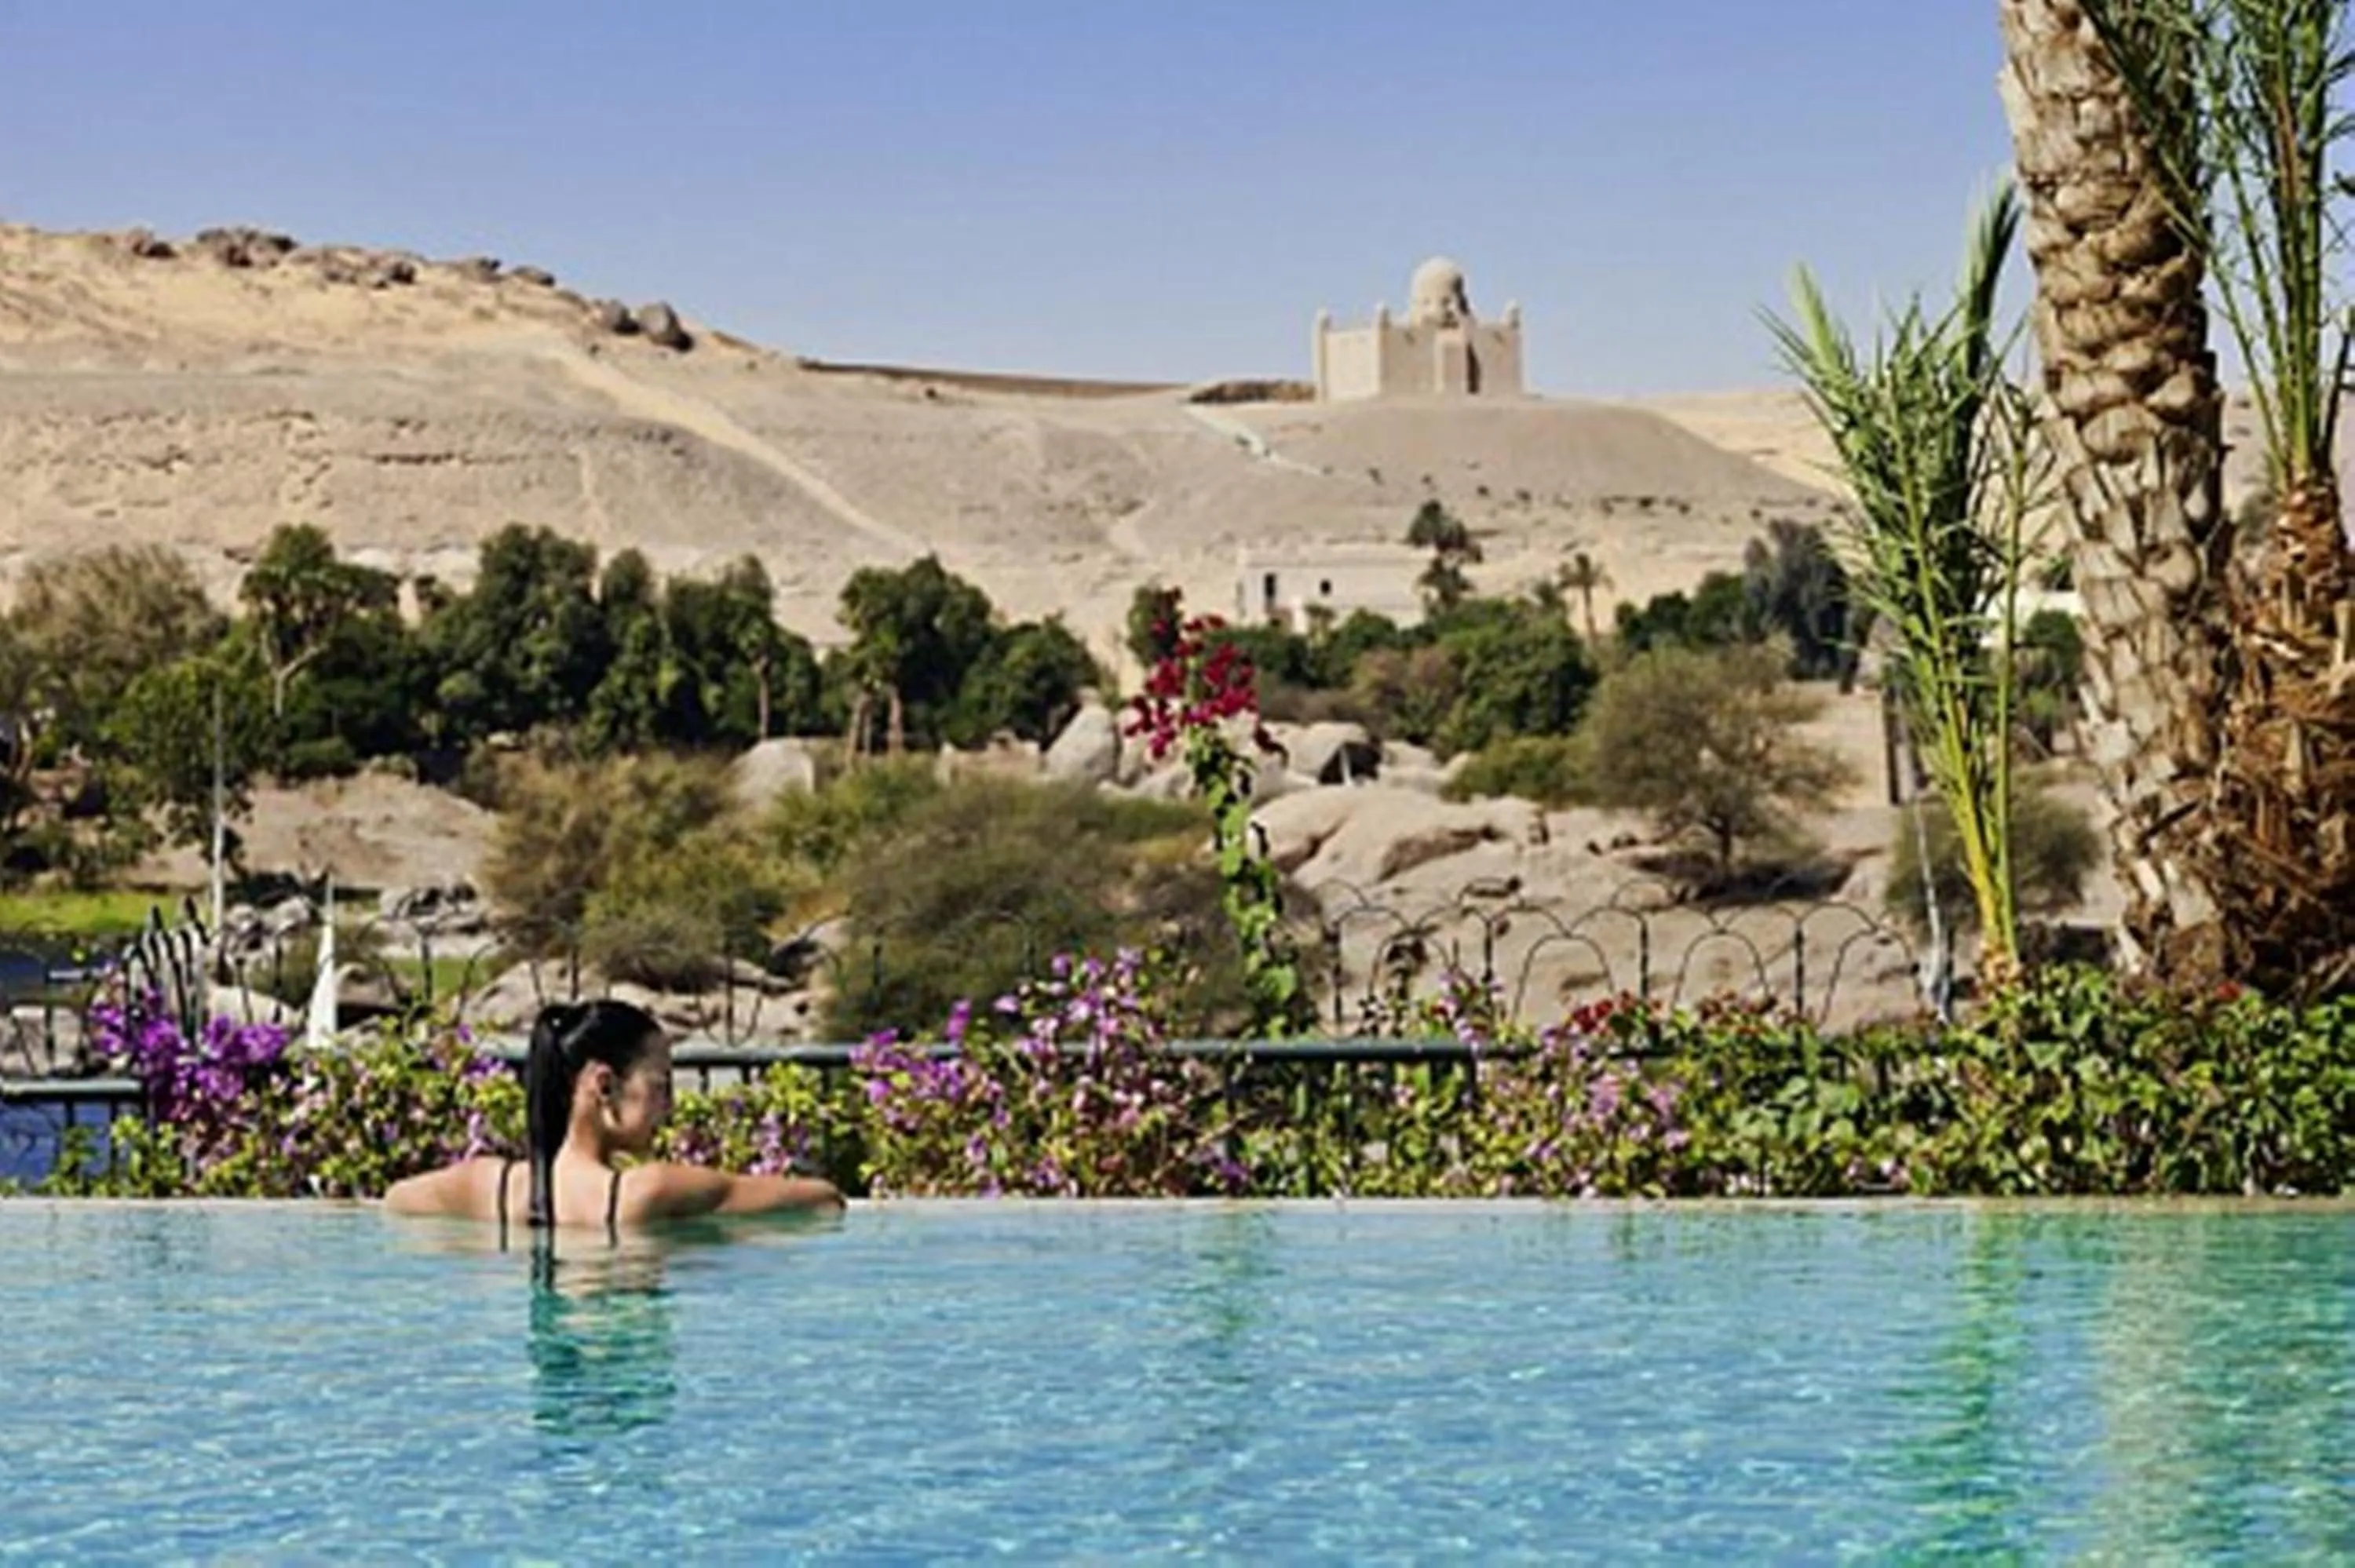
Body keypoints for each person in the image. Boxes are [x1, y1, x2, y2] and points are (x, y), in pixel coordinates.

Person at [383, 998, 843, 1234]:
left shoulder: (488, 1187)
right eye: (660, 1086)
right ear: (604, 1085)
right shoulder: (647, 1192)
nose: (670, 1106)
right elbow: (823, 1199)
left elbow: (395, 1201)